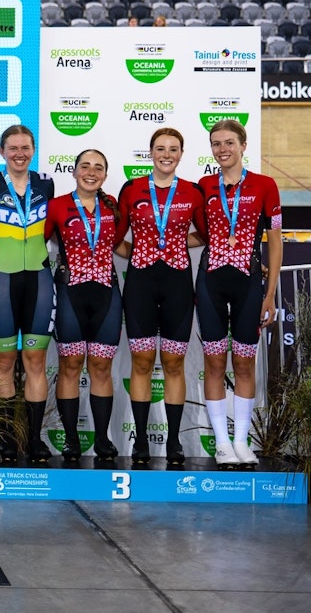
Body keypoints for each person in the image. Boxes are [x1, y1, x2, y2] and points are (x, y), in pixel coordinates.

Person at [116, 128, 205, 466]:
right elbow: (115, 236)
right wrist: (139, 250)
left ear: (181, 154)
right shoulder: (132, 189)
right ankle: (140, 441)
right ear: (150, 152)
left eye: (173, 149)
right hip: (139, 283)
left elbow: (207, 234)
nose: (166, 154)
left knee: (173, 364)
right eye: (160, 148)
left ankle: (172, 443)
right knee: (141, 362)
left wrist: (178, 246)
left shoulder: (193, 192)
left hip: (178, 285)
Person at [197, 119, 282, 469]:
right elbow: (196, 234)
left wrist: (270, 293)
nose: (222, 150)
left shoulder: (265, 185)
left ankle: (242, 441)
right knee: (214, 363)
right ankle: (221, 444)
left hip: (249, 282)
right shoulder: (203, 185)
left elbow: (275, 241)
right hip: (210, 281)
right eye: (216, 144)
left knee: (245, 363)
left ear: (243, 145)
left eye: (229, 143)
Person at [0, 125, 54, 463]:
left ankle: (33, 441)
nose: (20, 154)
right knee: (4, 361)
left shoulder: (46, 183)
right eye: (13, 148)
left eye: (25, 148)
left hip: (40, 282)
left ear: (33, 150)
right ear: (1, 151)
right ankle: (5, 440)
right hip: (0, 281)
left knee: (35, 361)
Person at [45, 149, 126, 463]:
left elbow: (119, 245)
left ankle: (103, 439)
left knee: (102, 368)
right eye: (85, 166)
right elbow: (36, 243)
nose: (91, 172)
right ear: (75, 171)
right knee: (70, 366)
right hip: (69, 292)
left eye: (98, 168)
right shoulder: (57, 206)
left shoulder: (112, 207)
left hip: (106, 293)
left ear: (105, 175)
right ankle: (71, 439)